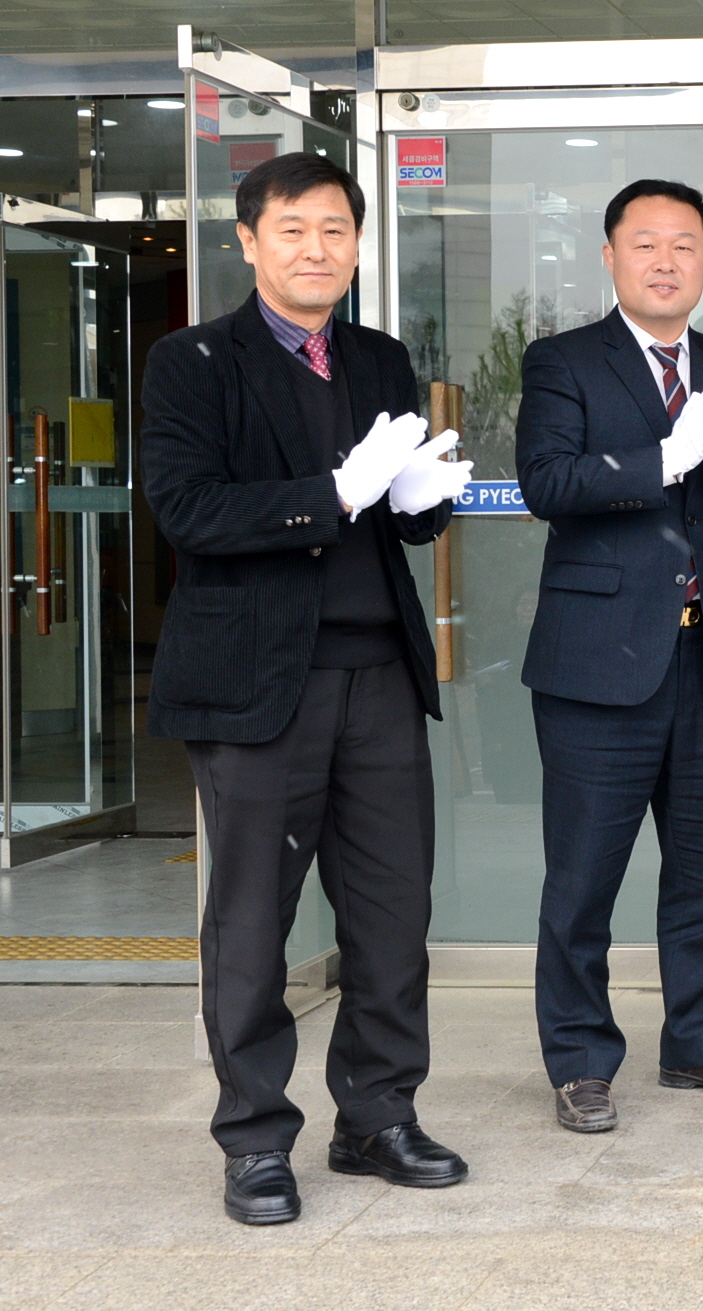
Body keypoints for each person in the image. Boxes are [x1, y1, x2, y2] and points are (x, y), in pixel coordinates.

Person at [141, 151, 475, 1224]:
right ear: (249, 241)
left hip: (378, 676)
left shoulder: (379, 358)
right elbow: (189, 509)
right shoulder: (193, 361)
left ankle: (377, 1115)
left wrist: (424, 498)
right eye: (293, 229)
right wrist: (331, 492)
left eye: (335, 229)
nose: (316, 248)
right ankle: (253, 1140)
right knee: (252, 920)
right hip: (254, 685)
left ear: (358, 243)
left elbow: (400, 516)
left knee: (392, 910)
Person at [517, 179, 703, 1132]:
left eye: (684, 244)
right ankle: (580, 1060)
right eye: (645, 243)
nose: (666, 261)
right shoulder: (563, 360)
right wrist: (666, 460)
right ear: (610, 256)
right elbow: (547, 481)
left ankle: (698, 1040)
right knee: (583, 878)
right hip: (598, 664)